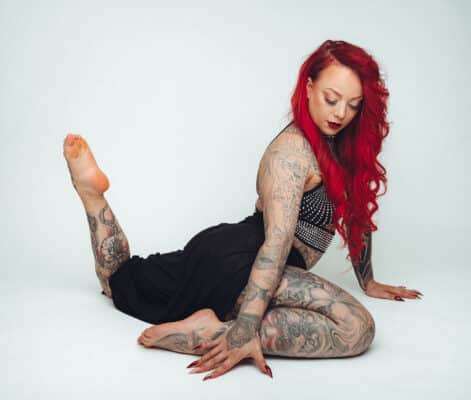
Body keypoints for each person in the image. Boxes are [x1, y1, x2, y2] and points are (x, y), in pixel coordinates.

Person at [63, 39, 422, 381]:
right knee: (356, 328)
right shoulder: (291, 155)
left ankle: (93, 195)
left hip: (227, 247)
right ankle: (213, 329)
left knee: (120, 282)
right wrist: (245, 329)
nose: (341, 113)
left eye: (354, 105)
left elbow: (356, 215)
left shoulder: (338, 144)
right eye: (332, 99)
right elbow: (277, 244)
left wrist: (368, 280)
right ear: (309, 87)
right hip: (246, 261)